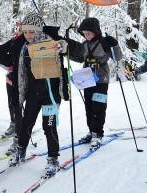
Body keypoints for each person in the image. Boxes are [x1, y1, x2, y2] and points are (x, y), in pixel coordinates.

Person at [2, 12, 68, 177]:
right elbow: (22, 73)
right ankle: (21, 151)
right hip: (33, 93)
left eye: (32, 31)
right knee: (26, 124)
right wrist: (20, 94)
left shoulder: (52, 43)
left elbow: (70, 51)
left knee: (49, 127)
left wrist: (64, 47)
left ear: (39, 30)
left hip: (50, 95)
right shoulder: (25, 48)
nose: (28, 35)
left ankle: (53, 158)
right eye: (25, 32)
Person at [46, 17, 122, 150]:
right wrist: (66, 53)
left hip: (101, 80)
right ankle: (91, 131)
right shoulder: (85, 44)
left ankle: (97, 134)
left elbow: (118, 57)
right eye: (85, 33)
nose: (86, 36)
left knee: (99, 106)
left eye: (89, 33)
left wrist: (114, 44)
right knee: (89, 107)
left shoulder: (104, 43)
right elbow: (79, 57)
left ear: (96, 31)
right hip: (87, 79)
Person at [0, 22, 27, 156]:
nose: (19, 30)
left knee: (19, 109)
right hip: (11, 78)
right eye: (19, 27)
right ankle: (14, 124)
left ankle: (19, 139)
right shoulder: (15, 39)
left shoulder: (27, 41)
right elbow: (5, 57)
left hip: (23, 80)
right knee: (12, 104)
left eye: (22, 28)